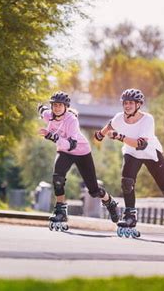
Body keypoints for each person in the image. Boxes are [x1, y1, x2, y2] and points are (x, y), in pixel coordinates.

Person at [94, 88, 164, 239]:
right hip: (131, 153)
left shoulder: (147, 119)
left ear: (139, 105)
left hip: (150, 153)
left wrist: (118, 136)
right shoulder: (119, 117)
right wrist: (100, 134)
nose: (127, 106)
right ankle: (130, 215)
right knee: (126, 182)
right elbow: (111, 124)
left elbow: (140, 144)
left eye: (131, 103)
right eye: (125, 103)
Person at [38, 91, 119, 231]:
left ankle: (110, 202)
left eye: (60, 105)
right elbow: (41, 109)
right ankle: (60, 211)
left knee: (93, 191)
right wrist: (38, 106)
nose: (56, 108)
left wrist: (52, 136)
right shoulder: (48, 115)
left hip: (81, 152)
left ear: (66, 107)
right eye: (54, 105)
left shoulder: (72, 120)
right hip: (64, 153)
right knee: (58, 178)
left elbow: (71, 145)